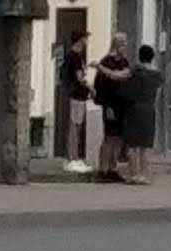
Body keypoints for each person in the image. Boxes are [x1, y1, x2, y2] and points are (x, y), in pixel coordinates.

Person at [90, 45, 146, 185]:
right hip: (111, 105)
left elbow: (124, 80)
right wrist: (106, 105)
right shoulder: (107, 62)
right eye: (122, 43)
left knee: (119, 139)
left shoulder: (124, 63)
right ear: (116, 45)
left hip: (122, 106)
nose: (125, 46)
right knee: (109, 138)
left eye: (126, 43)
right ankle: (103, 170)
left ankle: (112, 169)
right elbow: (103, 85)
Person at [50, 31, 92, 172]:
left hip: (77, 94)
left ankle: (73, 156)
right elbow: (79, 77)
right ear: (80, 40)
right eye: (85, 38)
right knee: (75, 126)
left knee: (76, 125)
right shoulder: (75, 57)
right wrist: (91, 88)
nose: (87, 41)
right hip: (77, 94)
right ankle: (72, 158)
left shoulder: (74, 56)